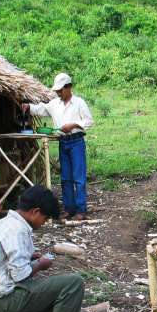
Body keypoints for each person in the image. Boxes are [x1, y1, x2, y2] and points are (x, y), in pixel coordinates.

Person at [0, 186, 85, 312]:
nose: (43, 223)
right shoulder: (17, 231)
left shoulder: (4, 223)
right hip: (11, 298)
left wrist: (31, 257)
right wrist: (40, 264)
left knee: (63, 300)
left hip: (1, 300)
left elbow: (9, 260)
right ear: (35, 212)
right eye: (44, 219)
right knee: (74, 283)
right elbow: (20, 274)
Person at [23, 73, 94, 221]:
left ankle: (81, 209)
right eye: (58, 91)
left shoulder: (79, 103)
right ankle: (69, 208)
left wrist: (74, 125)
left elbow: (89, 121)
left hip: (76, 141)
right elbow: (41, 109)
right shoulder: (54, 104)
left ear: (69, 88)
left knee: (78, 178)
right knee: (66, 177)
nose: (59, 93)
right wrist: (28, 107)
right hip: (63, 142)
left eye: (61, 90)